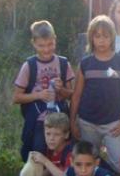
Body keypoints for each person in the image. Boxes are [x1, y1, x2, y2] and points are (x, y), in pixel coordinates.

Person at [70, 15, 120, 173]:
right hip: (88, 123)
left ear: (112, 37)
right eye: (97, 36)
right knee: (87, 163)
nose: (101, 40)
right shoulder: (85, 63)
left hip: (114, 124)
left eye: (105, 36)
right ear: (91, 38)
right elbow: (76, 95)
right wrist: (72, 121)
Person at [14, 20, 75, 162]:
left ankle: (59, 175)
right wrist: (38, 95)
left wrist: (61, 89)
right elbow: (16, 97)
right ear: (33, 43)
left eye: (50, 44)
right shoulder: (29, 65)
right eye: (41, 45)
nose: (46, 49)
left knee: (64, 156)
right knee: (38, 154)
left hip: (61, 121)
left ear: (55, 40)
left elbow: (72, 95)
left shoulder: (63, 63)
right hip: (39, 121)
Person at [24, 112, 74, 176]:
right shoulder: (51, 149)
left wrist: (45, 161)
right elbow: (54, 165)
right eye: (48, 134)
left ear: (66, 134)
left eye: (57, 134)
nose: (51, 138)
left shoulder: (71, 152)